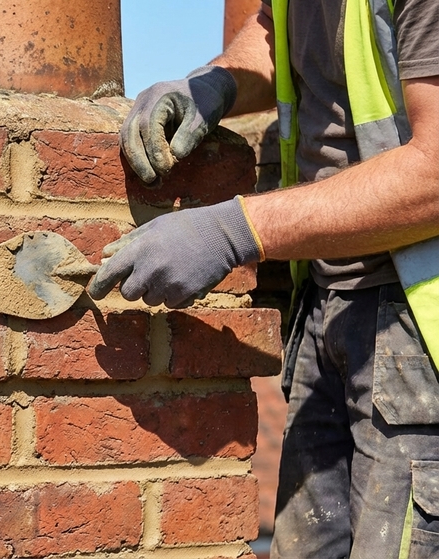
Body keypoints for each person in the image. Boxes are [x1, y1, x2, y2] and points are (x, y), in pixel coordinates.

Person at [87, 1, 439, 557]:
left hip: (420, 329)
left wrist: (235, 229)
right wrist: (216, 83)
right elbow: (275, 35)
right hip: (329, 301)